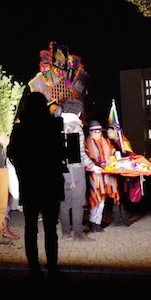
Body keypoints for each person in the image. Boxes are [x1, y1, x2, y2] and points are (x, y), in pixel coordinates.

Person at [7, 90, 67, 282]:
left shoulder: (20, 129)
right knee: (50, 228)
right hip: (50, 181)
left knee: (30, 227)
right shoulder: (52, 126)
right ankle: (53, 266)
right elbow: (61, 153)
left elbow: (12, 154)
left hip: (30, 182)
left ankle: (34, 268)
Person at [59, 101, 95, 241]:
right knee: (77, 202)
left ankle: (65, 232)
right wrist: (93, 166)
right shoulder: (75, 127)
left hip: (61, 169)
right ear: (78, 113)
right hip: (75, 170)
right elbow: (79, 154)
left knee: (64, 201)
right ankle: (78, 234)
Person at [84, 119, 118, 233]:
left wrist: (115, 156)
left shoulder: (106, 142)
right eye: (95, 132)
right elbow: (85, 159)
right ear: (91, 132)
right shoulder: (86, 144)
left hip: (105, 177)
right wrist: (96, 164)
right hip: (93, 176)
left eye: (99, 131)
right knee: (94, 200)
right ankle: (92, 222)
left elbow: (113, 152)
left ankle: (97, 223)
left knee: (102, 201)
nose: (98, 134)